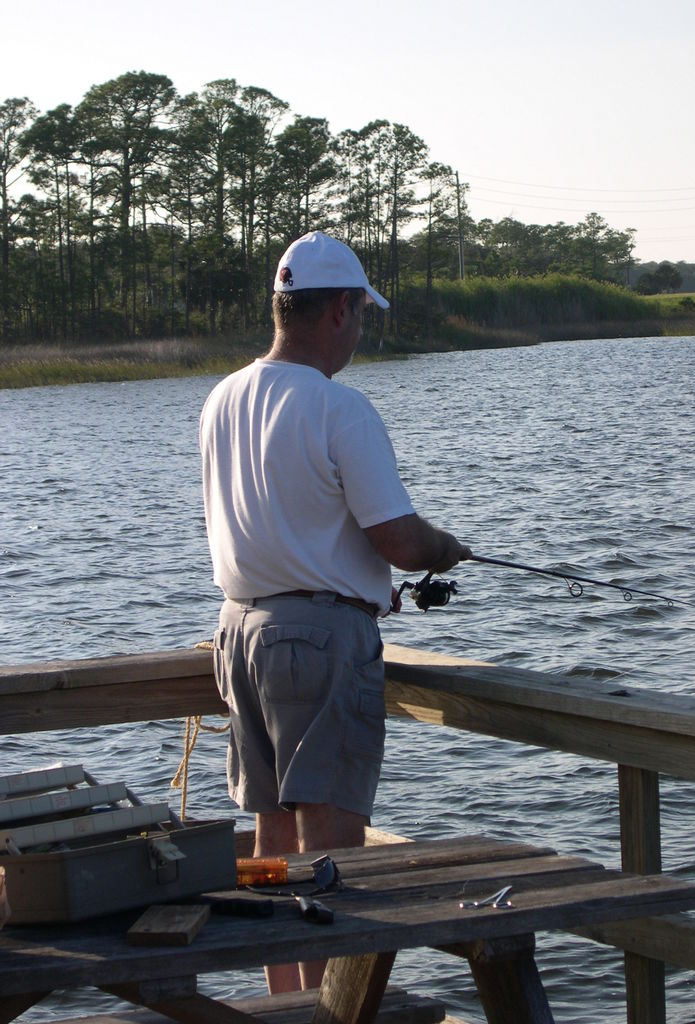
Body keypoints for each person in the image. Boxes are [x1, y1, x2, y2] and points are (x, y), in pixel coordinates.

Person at [199, 230, 471, 992]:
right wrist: (445, 546)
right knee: (331, 842)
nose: (359, 332)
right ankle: (330, 1009)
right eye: (360, 316)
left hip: (239, 631)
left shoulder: (222, 397)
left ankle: (286, 1003)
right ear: (341, 311)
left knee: (270, 833)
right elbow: (398, 538)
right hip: (318, 639)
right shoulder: (340, 408)